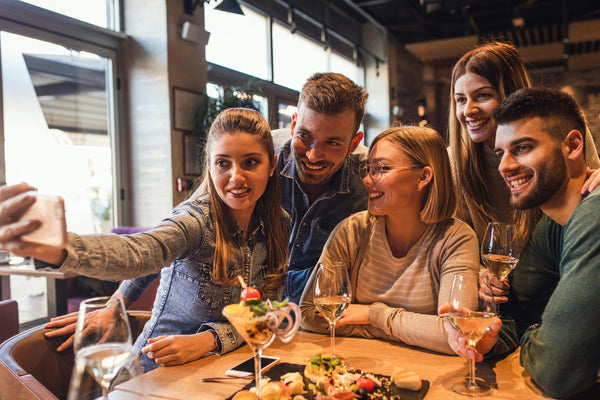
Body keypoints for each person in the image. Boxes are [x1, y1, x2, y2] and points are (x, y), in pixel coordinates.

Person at [0, 107, 290, 372]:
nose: (235, 177)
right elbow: (143, 252)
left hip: (227, 368)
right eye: (223, 163)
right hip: (153, 373)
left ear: (272, 164)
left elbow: (266, 314)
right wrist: (62, 248)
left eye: (250, 162)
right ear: (210, 165)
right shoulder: (195, 222)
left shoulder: (279, 224)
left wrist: (209, 340)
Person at [440, 88, 600, 399]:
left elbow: (558, 371)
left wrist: (532, 336)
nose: (505, 166)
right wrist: (490, 340)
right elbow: (514, 314)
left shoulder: (593, 213)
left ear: (573, 145)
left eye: (523, 148)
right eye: (501, 153)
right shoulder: (552, 225)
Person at [300, 125, 480, 354]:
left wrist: (374, 315)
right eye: (368, 169)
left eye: (381, 168)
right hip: (358, 368)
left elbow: (457, 333)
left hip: (431, 377)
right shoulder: (351, 231)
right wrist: (408, 331)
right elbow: (309, 314)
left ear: (423, 177)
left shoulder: (456, 240)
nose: (367, 180)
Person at [448, 41, 600, 245]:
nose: (468, 110)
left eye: (482, 95)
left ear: (511, 96)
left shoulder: (563, 133)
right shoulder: (453, 160)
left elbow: (591, 196)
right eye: (460, 100)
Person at [277, 72, 369, 304]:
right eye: (305, 136)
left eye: (332, 142)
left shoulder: (371, 181)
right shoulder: (257, 159)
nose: (313, 155)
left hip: (321, 321)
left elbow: (362, 279)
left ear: (354, 143)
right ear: (294, 124)